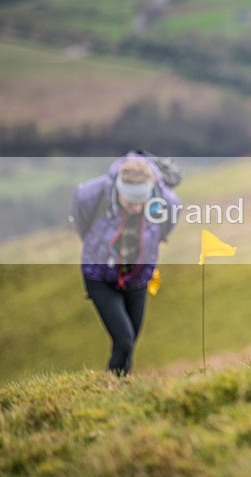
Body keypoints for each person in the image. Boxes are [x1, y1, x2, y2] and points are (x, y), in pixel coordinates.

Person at [71, 154, 180, 376]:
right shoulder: (91, 195)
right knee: (124, 340)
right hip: (99, 275)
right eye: (130, 202)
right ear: (119, 191)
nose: (137, 208)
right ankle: (108, 387)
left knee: (129, 346)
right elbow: (83, 225)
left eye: (142, 201)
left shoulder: (167, 203)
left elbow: (163, 231)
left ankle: (117, 390)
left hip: (138, 278)